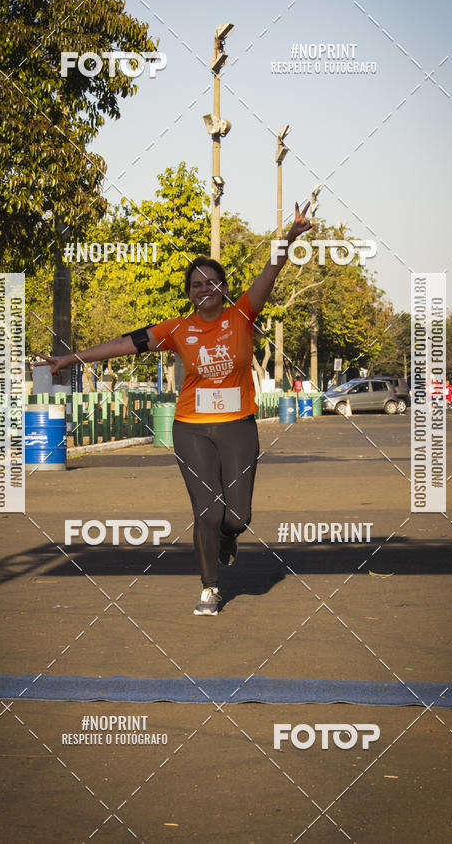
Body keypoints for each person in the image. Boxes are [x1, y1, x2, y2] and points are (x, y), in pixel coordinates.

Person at [37, 202, 312, 616]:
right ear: (189, 294)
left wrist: (289, 237)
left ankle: (227, 537)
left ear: (223, 288)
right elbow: (124, 343)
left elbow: (270, 272)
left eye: (212, 283)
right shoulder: (177, 329)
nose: (205, 290)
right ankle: (209, 589)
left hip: (238, 426)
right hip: (192, 429)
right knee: (208, 509)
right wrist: (71, 360)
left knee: (237, 515)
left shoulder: (242, 314)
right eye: (197, 285)